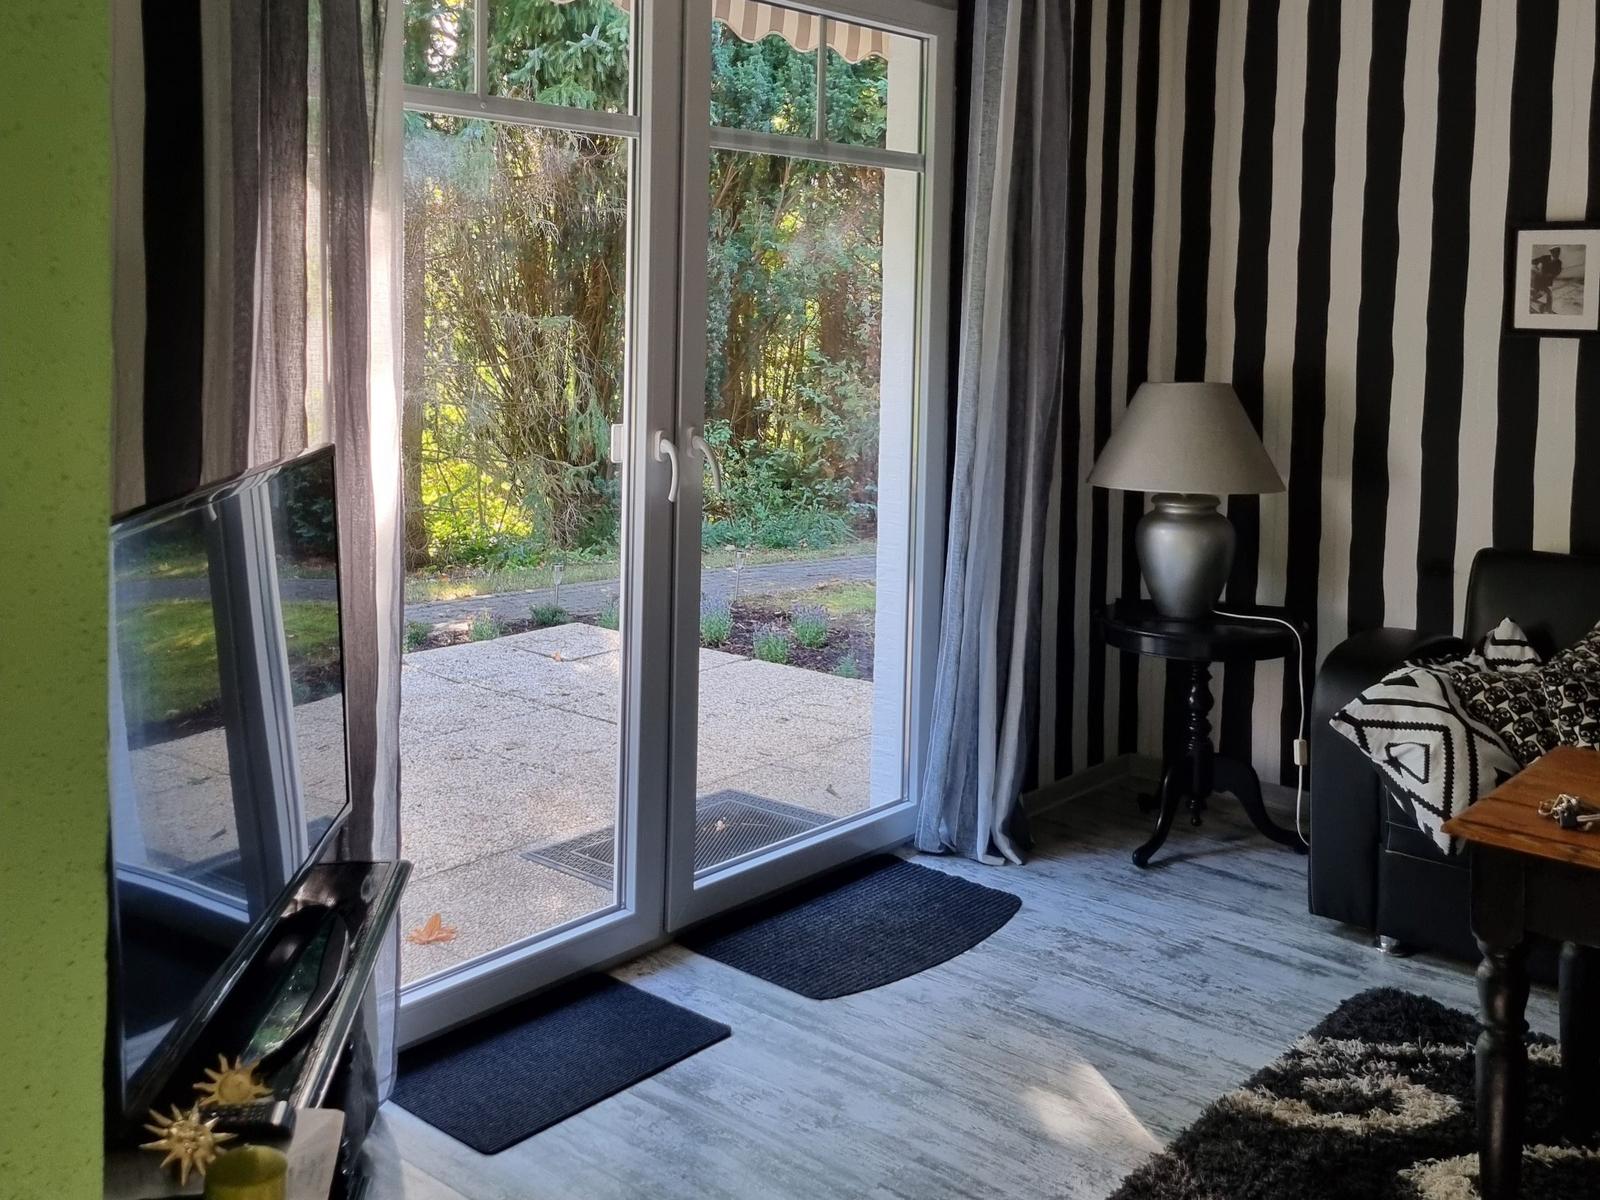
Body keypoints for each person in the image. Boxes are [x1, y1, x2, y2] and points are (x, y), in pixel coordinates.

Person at [1531, 245, 1563, 314]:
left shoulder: (1559, 262)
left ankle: (1548, 310)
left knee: (1549, 294)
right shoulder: (1544, 258)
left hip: (1547, 282)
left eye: (1558, 253)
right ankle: (1532, 299)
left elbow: (1558, 271)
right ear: (1551, 253)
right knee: (1536, 293)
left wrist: (1551, 275)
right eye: (1555, 253)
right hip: (1538, 280)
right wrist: (1536, 269)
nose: (1557, 255)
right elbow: (1533, 262)